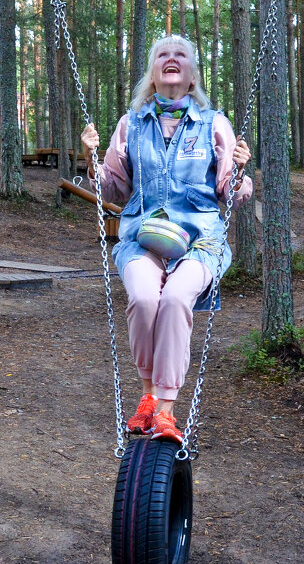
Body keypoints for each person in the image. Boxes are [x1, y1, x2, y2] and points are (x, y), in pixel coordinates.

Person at [81, 34, 253, 444]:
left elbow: (231, 192)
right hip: (143, 238)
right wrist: (90, 160)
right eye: (163, 54)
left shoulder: (214, 124)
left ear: (191, 75)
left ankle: (166, 409)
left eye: (180, 56)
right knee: (143, 298)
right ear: (153, 73)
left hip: (201, 242)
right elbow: (114, 191)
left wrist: (242, 173)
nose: (171, 60)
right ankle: (146, 396)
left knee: (176, 299)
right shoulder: (132, 124)